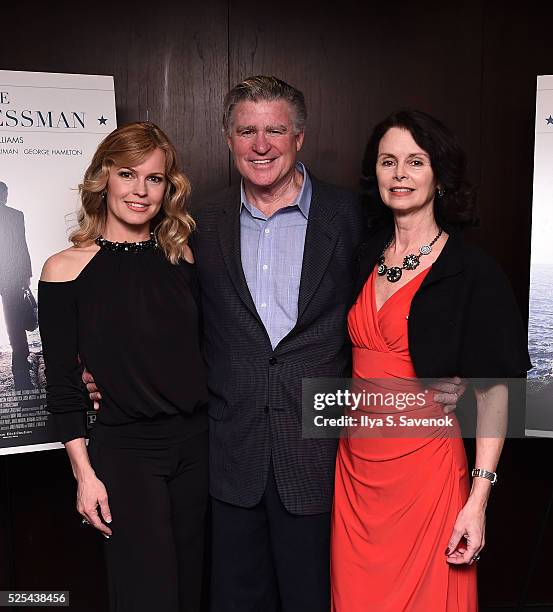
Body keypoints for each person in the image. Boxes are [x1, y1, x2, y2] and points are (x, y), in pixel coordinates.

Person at [85, 79, 464, 611]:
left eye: (274, 130)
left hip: (324, 457)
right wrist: (101, 371)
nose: (260, 144)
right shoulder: (198, 225)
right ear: (228, 137)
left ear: (299, 137)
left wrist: (446, 376)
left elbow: (412, 289)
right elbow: (160, 317)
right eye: (246, 130)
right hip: (227, 456)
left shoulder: (356, 217)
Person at [331, 110, 532, 611]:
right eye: (388, 161)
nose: (400, 174)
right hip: (356, 476)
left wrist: (477, 501)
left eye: (415, 162)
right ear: (374, 174)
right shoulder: (362, 256)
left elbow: (495, 392)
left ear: (438, 175)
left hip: (426, 475)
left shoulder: (473, 273)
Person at [38, 122, 208, 612]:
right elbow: (64, 385)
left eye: (154, 179)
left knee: (191, 588)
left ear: (167, 189)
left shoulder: (183, 257)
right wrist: (84, 475)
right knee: (146, 595)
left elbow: (194, 354)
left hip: (196, 447)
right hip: (128, 454)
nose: (140, 190)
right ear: (103, 179)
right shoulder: (65, 268)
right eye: (128, 174)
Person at [0, 181, 33, 390]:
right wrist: (26, 274)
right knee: (15, 325)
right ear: (4, 195)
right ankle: (20, 366)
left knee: (15, 323)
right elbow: (22, 244)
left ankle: (20, 363)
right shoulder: (16, 215)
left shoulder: (15, 215)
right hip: (11, 275)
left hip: (9, 274)